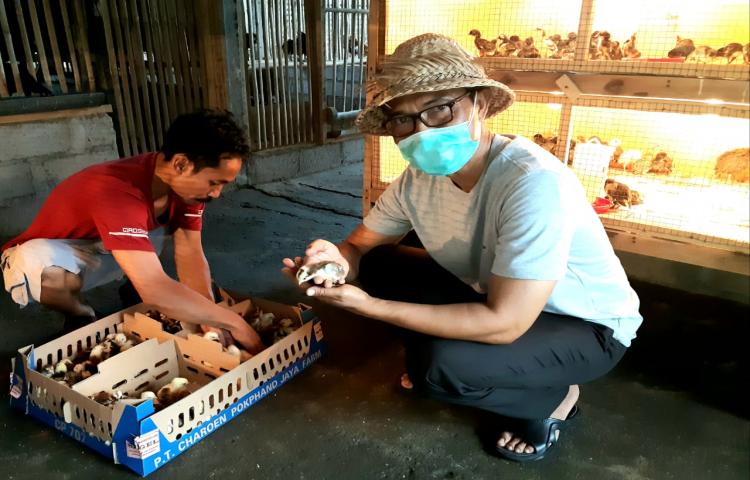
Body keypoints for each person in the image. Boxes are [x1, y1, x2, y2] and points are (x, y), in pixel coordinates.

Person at [282, 34, 643, 462]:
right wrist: (333, 262)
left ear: (481, 106)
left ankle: (552, 399)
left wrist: (368, 306)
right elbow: (359, 247)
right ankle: (477, 362)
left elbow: (506, 322)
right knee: (380, 263)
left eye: (438, 108)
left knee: (440, 368)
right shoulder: (418, 180)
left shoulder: (532, 182)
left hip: (584, 328)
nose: (421, 131)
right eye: (403, 119)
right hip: (495, 295)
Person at [2, 110, 263, 353]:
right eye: (214, 182)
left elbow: (191, 254)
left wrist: (211, 317)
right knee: (45, 270)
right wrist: (235, 323)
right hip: (66, 255)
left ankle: (132, 281)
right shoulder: (115, 191)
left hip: (109, 246)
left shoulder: (186, 189)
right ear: (181, 164)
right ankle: (80, 313)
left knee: (160, 256)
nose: (217, 194)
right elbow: (155, 288)